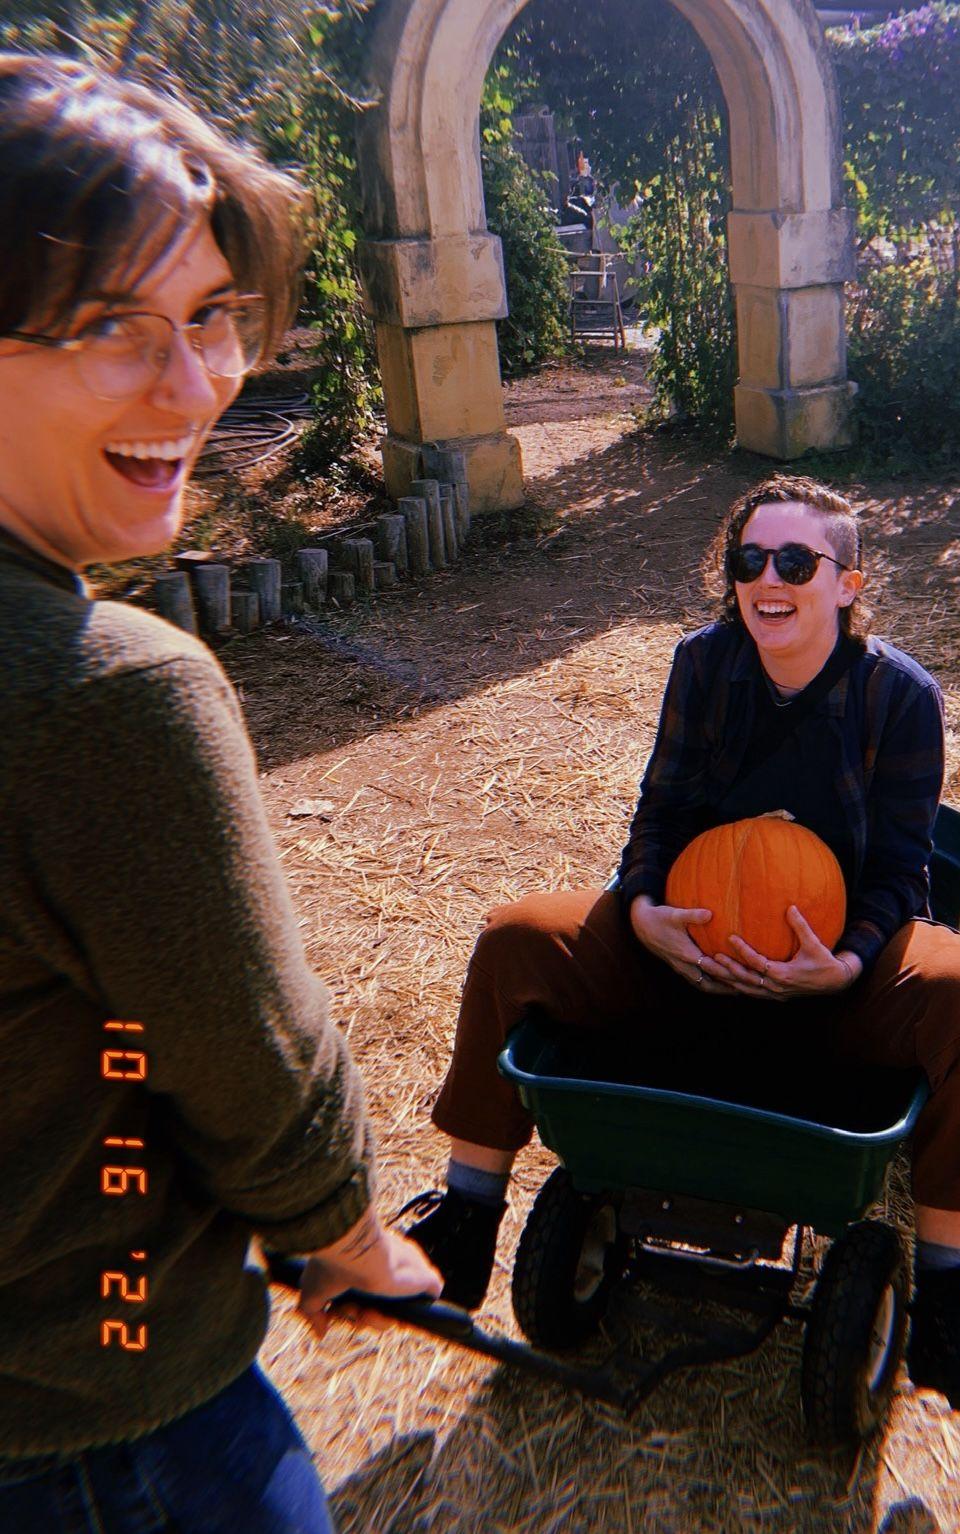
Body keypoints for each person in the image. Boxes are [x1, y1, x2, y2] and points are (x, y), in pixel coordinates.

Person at [0, 53, 440, 1532]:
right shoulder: (100, 693)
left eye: (209, 316)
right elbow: (249, 1062)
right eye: (107, 326)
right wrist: (345, 1235)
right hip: (101, 1426)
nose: (196, 388)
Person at [404, 475, 960, 1412]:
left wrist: (845, 963)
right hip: (688, 956)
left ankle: (944, 1308)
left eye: (796, 561)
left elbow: (905, 871)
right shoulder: (704, 664)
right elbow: (659, 814)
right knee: (515, 939)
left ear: (847, 585)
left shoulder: (897, 697)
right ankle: (463, 1226)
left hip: (834, 976)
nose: (768, 579)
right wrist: (644, 911)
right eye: (750, 559)